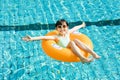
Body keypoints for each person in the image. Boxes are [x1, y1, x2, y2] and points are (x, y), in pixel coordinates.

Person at [22, 19, 100, 63]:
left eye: (64, 26)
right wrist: (32, 38)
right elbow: (44, 37)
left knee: (75, 40)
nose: (62, 28)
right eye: (59, 27)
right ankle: (82, 58)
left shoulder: (68, 32)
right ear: (56, 29)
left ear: (67, 27)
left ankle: (93, 53)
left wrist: (81, 25)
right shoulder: (56, 37)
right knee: (73, 42)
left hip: (72, 46)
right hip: (66, 47)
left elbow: (75, 28)